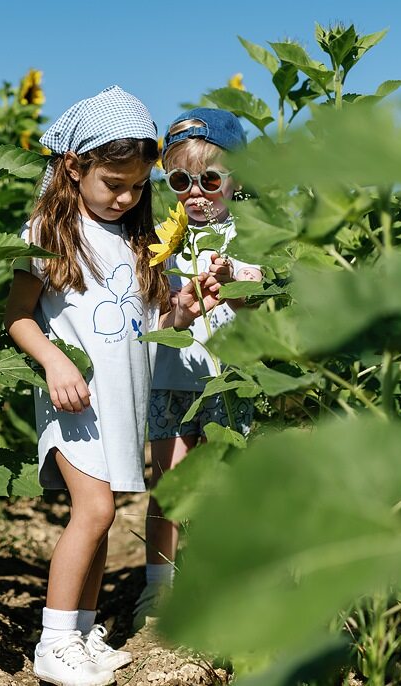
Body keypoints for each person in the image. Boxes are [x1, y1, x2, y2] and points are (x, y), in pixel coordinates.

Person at [4, 88, 232, 686]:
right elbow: (17, 317)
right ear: (74, 168)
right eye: (113, 184)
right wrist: (55, 362)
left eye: (137, 187)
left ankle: (81, 630)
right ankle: (53, 641)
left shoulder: (136, 238)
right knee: (96, 509)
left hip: (120, 404)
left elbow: (155, 325)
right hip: (74, 398)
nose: (126, 197)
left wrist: (186, 306)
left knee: (102, 517)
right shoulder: (49, 233)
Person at [135, 107, 264, 629]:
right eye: (181, 179)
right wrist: (176, 304)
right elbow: (147, 307)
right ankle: (158, 589)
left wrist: (232, 276)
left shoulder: (245, 235)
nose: (195, 192)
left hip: (229, 381)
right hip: (172, 380)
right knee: (170, 488)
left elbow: (260, 292)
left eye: (209, 178)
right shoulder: (161, 239)